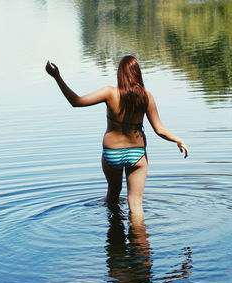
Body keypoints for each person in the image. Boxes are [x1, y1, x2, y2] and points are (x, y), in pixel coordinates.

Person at [45, 56, 189, 217]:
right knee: (135, 204)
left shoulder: (109, 93)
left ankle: (114, 235)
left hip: (112, 154)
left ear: (120, 74)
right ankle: (140, 241)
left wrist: (57, 77)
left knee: (113, 195)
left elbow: (76, 101)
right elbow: (159, 129)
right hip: (137, 154)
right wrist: (178, 139)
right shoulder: (146, 97)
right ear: (137, 74)